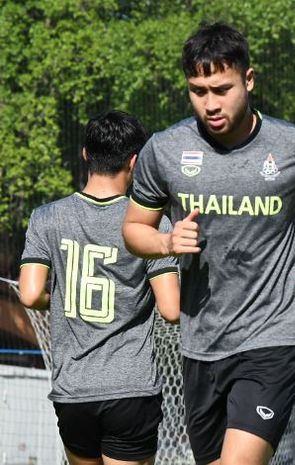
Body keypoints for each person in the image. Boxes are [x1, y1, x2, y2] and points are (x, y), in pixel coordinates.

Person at [121, 23, 295, 465]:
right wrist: (166, 241)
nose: (210, 103)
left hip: (273, 336)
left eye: (221, 88)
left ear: (248, 80)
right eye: (198, 90)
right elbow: (134, 228)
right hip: (200, 343)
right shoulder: (164, 150)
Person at [18, 110, 180, 465]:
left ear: (85, 154)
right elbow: (170, 309)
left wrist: (61, 299)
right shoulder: (152, 224)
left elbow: (30, 294)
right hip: (131, 388)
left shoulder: (46, 217)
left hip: (73, 390)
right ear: (135, 162)